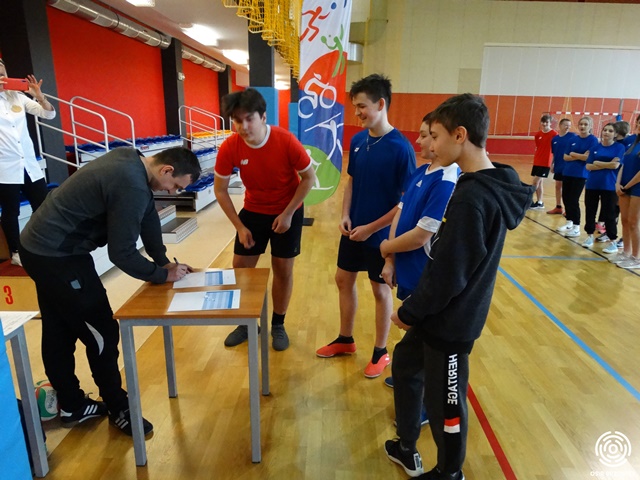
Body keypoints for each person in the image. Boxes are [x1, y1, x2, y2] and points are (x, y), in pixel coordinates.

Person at [383, 94, 534, 479]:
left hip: (452, 321)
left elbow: (451, 273)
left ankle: (449, 472)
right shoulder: (484, 183)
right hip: (439, 315)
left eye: (435, 135)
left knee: (446, 404)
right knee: (406, 363)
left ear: (460, 135)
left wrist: (409, 311)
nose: (430, 144)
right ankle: (406, 443)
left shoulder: (472, 197)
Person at [19, 146, 201, 436]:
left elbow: (148, 218)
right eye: (176, 186)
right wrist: (161, 276)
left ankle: (72, 405)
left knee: (59, 327)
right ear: (166, 170)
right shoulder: (132, 184)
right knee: (102, 330)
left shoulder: (133, 159)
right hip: (57, 256)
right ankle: (118, 407)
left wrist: (164, 262)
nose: (174, 192)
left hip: (39, 247)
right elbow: (122, 253)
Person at [315, 73, 416, 378]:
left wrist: (372, 228)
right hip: (353, 230)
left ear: (380, 104)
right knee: (343, 279)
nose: (357, 113)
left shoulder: (401, 148)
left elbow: (405, 202)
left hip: (382, 236)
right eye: (355, 107)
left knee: (380, 291)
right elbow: (352, 181)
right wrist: (345, 214)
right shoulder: (358, 141)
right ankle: (346, 340)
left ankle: (380, 352)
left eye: (362, 106)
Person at [214, 88, 316, 352]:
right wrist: (239, 226)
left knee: (282, 269)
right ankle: (246, 322)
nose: (243, 126)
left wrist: (288, 213)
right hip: (253, 211)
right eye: (237, 120)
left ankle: (278, 325)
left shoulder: (285, 140)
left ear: (262, 117)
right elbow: (220, 190)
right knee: (240, 269)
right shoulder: (230, 146)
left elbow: (309, 178)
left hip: (287, 210)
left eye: (249, 119)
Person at [379, 112, 459, 422]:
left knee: (427, 340)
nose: (421, 140)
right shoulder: (420, 171)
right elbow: (400, 215)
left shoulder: (447, 179)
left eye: (428, 135)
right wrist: (390, 259)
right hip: (407, 270)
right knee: (415, 336)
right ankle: (409, 380)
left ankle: (425, 405)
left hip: (426, 275)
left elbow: (422, 235)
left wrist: (387, 247)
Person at [0, 59, 55, 266]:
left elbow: (48, 114)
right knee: (11, 211)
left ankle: (41, 242)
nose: (1, 77)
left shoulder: (18, 96)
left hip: (29, 165)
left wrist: (39, 96)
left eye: (2, 73)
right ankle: (16, 252)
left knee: (42, 206)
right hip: (5, 168)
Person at [581, 123, 624, 254]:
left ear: (615, 134)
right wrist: (608, 164)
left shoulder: (619, 147)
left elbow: (615, 166)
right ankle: (589, 235)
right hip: (592, 184)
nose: (606, 132)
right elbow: (588, 166)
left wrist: (598, 163)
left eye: (610, 131)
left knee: (610, 213)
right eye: (605, 130)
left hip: (609, 185)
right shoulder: (595, 148)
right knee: (590, 210)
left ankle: (612, 241)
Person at [556, 116, 598, 238]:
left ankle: (576, 226)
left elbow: (588, 158)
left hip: (581, 174)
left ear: (590, 126)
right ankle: (569, 222)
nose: (582, 126)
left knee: (573, 199)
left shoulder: (593, 140)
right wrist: (579, 156)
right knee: (566, 198)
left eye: (585, 124)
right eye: (581, 124)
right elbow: (565, 157)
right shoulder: (573, 139)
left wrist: (573, 154)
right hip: (567, 172)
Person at [610, 117, 640, 269]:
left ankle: (636, 257)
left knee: (634, 222)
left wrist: (627, 186)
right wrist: (618, 183)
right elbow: (623, 164)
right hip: (624, 186)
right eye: (638, 122)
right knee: (625, 220)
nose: (639, 125)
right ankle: (626, 252)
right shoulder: (632, 142)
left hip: (637, 188)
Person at [547, 118, 575, 215]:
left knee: (567, 189)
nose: (568, 127)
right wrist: (552, 164)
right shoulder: (555, 139)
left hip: (568, 167)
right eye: (566, 125)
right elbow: (554, 153)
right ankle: (558, 207)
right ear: (560, 125)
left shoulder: (573, 137)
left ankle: (568, 209)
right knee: (558, 186)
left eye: (569, 125)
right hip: (558, 166)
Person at [529, 114, 557, 210]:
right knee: (539, 183)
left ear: (550, 123)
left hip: (546, 163)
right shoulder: (538, 135)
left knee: (535, 182)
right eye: (543, 122)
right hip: (537, 161)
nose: (545, 124)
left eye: (547, 122)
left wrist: (553, 163)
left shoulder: (554, 134)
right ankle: (540, 202)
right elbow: (538, 147)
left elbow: (555, 150)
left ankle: (528, 200)